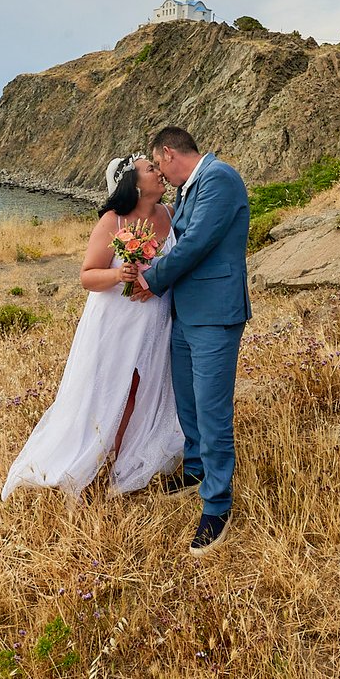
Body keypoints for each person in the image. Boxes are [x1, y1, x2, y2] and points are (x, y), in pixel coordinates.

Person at [1, 155, 184, 501]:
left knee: (144, 388)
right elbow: (87, 275)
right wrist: (119, 274)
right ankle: (97, 459)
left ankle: (127, 460)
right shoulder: (111, 222)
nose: (159, 173)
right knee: (112, 387)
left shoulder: (170, 214)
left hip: (155, 321)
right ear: (132, 183)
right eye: (150, 169)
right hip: (116, 322)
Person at [130, 127, 251, 556]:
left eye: (158, 166)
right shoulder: (187, 189)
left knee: (213, 408)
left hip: (215, 314)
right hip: (185, 313)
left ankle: (217, 506)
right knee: (188, 401)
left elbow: (197, 242)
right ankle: (196, 470)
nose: (161, 176)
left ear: (167, 154)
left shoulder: (219, 179)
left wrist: (151, 278)